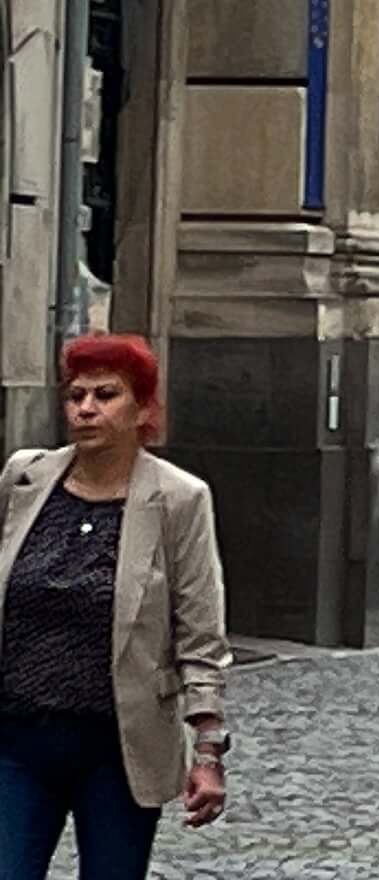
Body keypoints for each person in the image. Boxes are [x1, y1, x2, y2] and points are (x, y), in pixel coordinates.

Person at [0, 334, 231, 879]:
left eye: (106, 394)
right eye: (76, 395)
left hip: (118, 749)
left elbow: (200, 630)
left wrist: (208, 750)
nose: (85, 408)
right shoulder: (23, 479)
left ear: (142, 408)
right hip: (17, 739)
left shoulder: (179, 498)